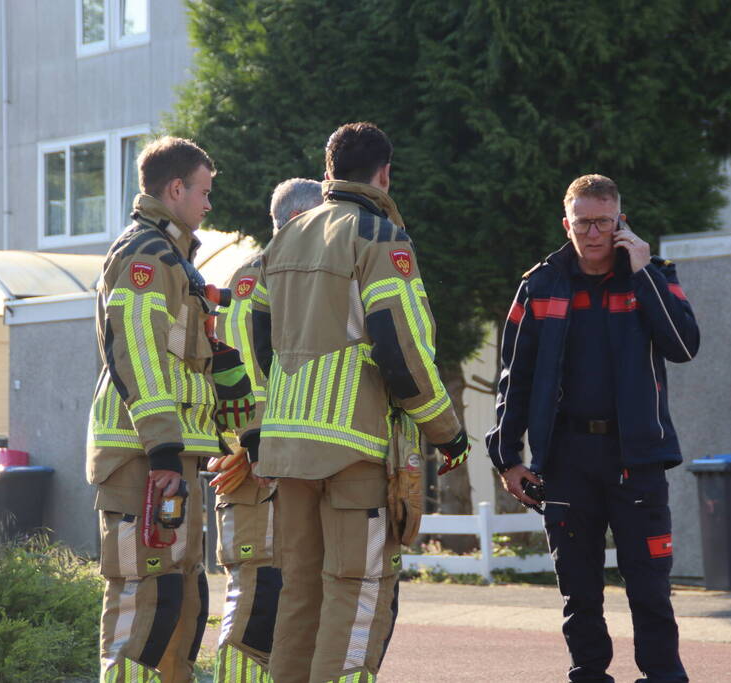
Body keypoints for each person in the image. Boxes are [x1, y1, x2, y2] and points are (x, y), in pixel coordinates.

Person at [250, 122, 470, 683]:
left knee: (300, 595)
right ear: (385, 173)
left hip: (288, 451)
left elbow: (258, 330)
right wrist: (447, 431)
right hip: (354, 452)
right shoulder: (377, 236)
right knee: (356, 598)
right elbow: (401, 347)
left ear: (328, 172)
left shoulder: (285, 238)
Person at [486, 174, 699, 683]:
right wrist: (507, 457)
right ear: (567, 223)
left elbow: (684, 346)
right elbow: (513, 377)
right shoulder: (539, 285)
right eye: (583, 221)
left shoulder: (653, 275)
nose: (594, 232)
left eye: (604, 221)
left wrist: (644, 272)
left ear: (620, 221)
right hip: (566, 460)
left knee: (649, 588)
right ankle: (588, 674)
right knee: (578, 592)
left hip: (638, 459)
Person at [87, 136, 220, 682]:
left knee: (178, 606)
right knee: (144, 608)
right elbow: (137, 354)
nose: (209, 204)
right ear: (175, 188)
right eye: (204, 192)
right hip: (144, 457)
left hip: (167, 458)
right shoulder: (146, 253)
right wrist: (165, 448)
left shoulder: (172, 257)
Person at [209, 177, 323, 681]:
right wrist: (258, 450)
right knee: (259, 609)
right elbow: (240, 386)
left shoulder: (267, 279)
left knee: (281, 609)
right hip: (257, 470)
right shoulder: (267, 281)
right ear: (302, 220)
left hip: (274, 468)